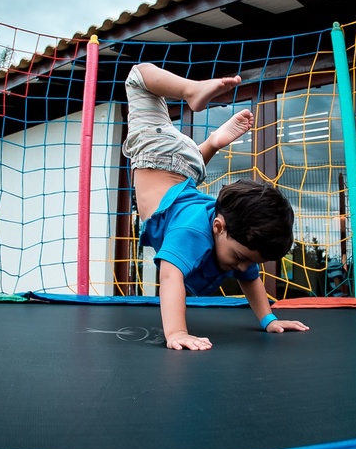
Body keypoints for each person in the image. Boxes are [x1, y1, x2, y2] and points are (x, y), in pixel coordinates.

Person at [124, 62, 310, 351]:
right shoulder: (193, 233)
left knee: (183, 173)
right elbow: (170, 274)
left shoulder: (235, 238)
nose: (242, 266)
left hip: (188, 169)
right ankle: (191, 90)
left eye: (249, 261)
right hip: (159, 155)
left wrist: (268, 319)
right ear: (217, 226)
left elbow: (251, 279)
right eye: (240, 257)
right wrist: (176, 332)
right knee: (137, 76)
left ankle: (213, 143)